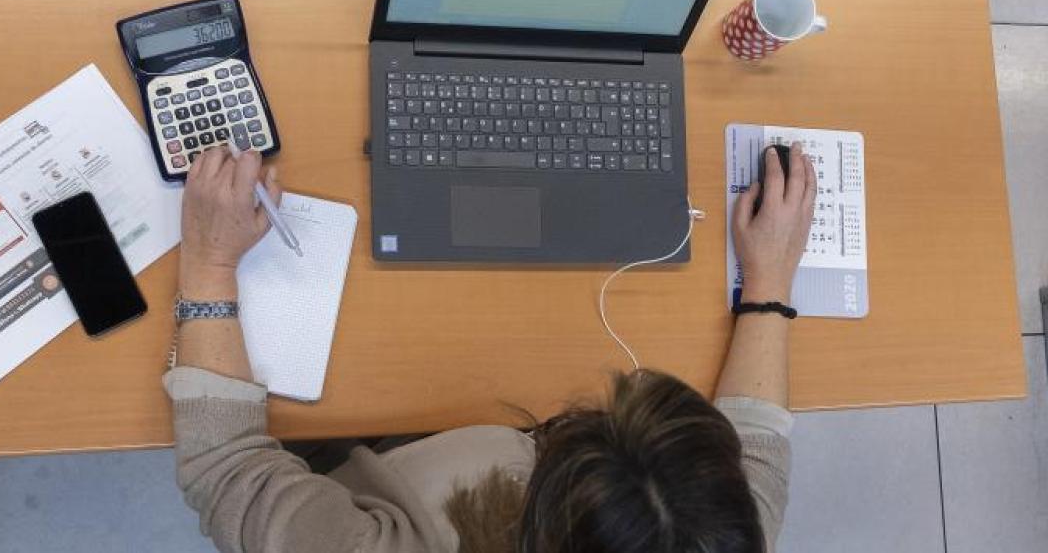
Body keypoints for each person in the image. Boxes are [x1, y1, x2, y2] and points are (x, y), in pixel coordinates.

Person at [165, 142, 817, 553]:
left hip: (369, 456)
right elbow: (755, 453)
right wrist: (769, 284)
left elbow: (227, 470)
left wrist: (210, 262)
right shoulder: (706, 535)